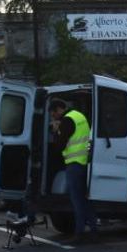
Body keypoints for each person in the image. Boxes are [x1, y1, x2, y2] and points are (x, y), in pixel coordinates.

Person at [49, 100, 99, 243]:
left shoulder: (67, 121)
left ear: (59, 109)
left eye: (53, 113)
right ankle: (94, 230)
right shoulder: (79, 116)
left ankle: (79, 234)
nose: (53, 116)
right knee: (86, 199)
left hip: (74, 165)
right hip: (84, 162)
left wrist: (55, 131)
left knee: (77, 200)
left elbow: (59, 145)